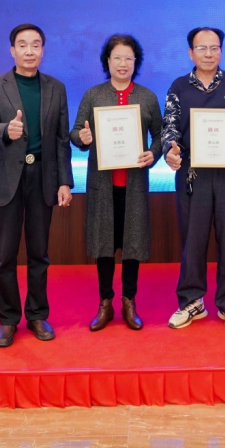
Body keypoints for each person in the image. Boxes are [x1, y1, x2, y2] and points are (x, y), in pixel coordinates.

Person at [0, 24, 74, 348]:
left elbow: (61, 140)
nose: (29, 51)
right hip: (6, 179)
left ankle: (37, 314)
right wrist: (7, 130)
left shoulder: (56, 88)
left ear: (42, 50)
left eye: (35, 45)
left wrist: (64, 181)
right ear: (12, 51)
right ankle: (7, 319)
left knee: (39, 252)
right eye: (22, 45)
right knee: (5, 255)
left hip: (42, 178)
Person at [162, 27, 225, 332]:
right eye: (201, 48)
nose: (208, 53)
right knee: (193, 239)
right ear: (190, 53)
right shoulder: (179, 86)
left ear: (221, 51)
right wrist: (170, 150)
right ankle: (192, 301)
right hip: (193, 172)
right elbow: (169, 126)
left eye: (214, 48)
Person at [70, 34, 163, 332]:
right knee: (104, 246)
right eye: (117, 58)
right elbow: (76, 132)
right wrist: (82, 138)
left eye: (128, 58)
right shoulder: (93, 95)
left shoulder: (147, 97)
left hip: (133, 184)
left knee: (132, 245)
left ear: (136, 62)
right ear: (107, 61)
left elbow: (160, 135)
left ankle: (129, 301)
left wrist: (154, 153)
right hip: (103, 185)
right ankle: (105, 302)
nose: (123, 64)